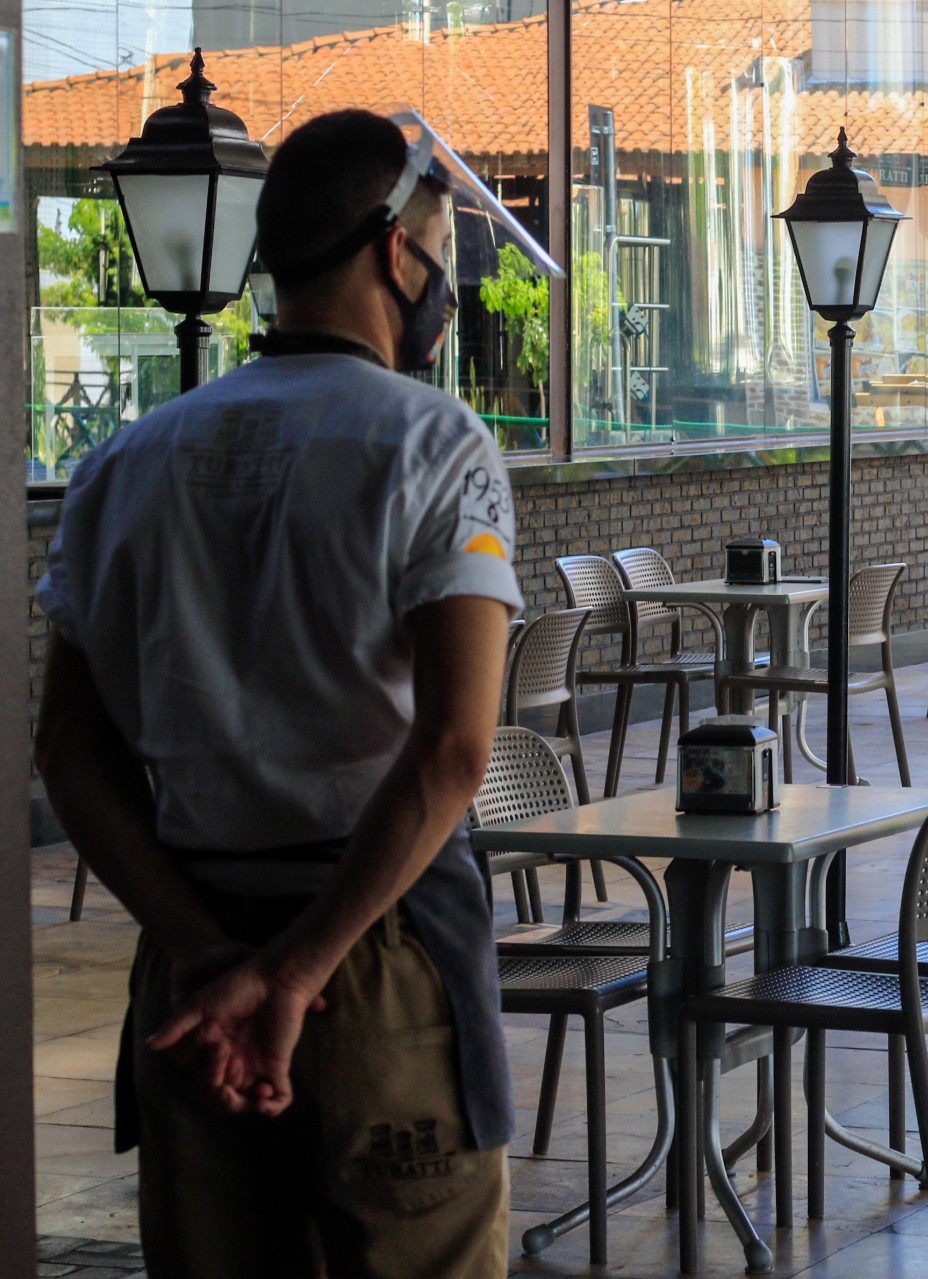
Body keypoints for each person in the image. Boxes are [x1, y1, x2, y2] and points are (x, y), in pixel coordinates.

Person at [32, 109, 550, 1277]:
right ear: (393, 252)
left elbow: (66, 747)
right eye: (440, 246)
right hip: (380, 959)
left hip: (192, 967)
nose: (445, 279)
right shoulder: (436, 445)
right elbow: (455, 751)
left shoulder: (126, 463)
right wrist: (302, 968)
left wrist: (215, 960)